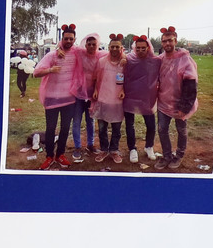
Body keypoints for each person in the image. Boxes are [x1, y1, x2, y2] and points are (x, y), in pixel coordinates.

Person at [32, 24, 83, 169]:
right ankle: (49, 156)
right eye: (66, 38)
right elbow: (36, 73)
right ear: (62, 39)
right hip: (52, 98)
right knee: (50, 128)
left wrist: (122, 55)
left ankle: (60, 154)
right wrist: (50, 70)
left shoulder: (77, 53)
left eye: (71, 39)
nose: (68, 41)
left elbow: (94, 53)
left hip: (69, 99)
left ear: (74, 40)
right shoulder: (52, 55)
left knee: (65, 128)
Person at [156, 27, 199, 169]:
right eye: (164, 41)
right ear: (161, 43)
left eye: (170, 40)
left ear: (175, 41)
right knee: (162, 129)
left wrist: (184, 107)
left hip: (180, 103)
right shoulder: (160, 59)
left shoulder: (184, 59)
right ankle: (166, 156)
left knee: (181, 130)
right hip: (163, 103)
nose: (167, 43)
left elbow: (191, 85)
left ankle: (179, 155)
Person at [88, 35, 127, 166]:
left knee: (116, 129)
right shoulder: (102, 61)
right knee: (102, 128)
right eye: (112, 47)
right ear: (109, 47)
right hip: (103, 99)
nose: (114, 49)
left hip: (117, 101)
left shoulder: (125, 62)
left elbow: (128, 79)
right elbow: (96, 78)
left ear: (121, 48)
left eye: (117, 47)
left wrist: (123, 90)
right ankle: (104, 149)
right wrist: (95, 90)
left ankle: (114, 150)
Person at [122, 35, 162, 163]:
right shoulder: (129, 59)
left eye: (143, 48)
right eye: (137, 48)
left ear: (148, 47)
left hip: (147, 97)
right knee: (130, 124)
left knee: (150, 124)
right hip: (130, 95)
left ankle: (149, 146)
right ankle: (132, 149)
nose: (140, 50)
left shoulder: (155, 61)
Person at [69, 33, 101, 163]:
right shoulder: (80, 53)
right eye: (89, 44)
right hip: (78, 94)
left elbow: (116, 54)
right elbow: (67, 46)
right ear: (85, 45)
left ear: (97, 45)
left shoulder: (100, 56)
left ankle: (90, 145)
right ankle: (77, 147)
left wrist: (123, 57)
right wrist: (59, 49)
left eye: (94, 44)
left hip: (92, 95)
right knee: (76, 121)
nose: (92, 46)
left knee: (91, 120)